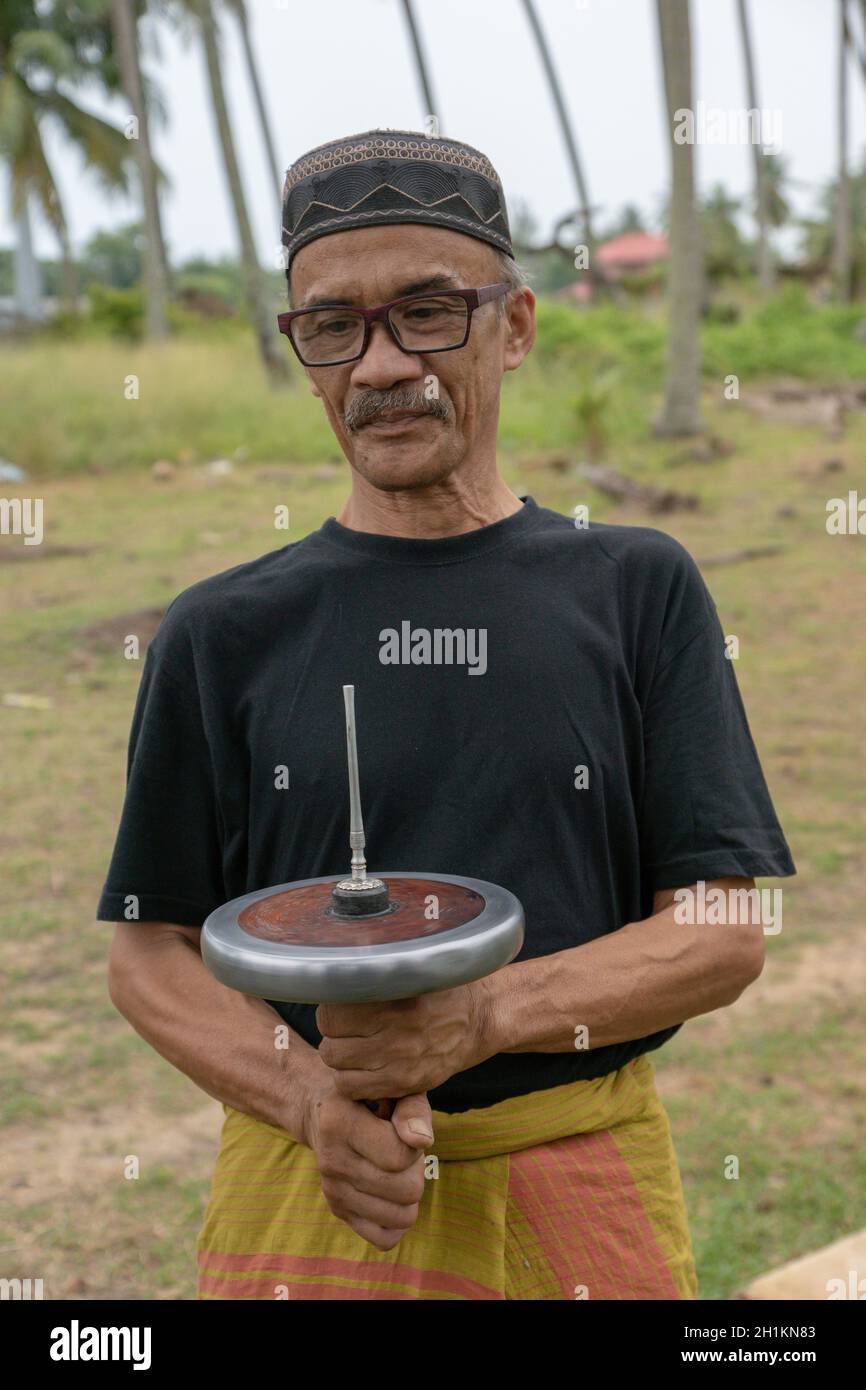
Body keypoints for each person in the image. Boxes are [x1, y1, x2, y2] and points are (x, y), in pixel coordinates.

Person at [100, 129, 795, 1300]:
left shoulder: (632, 587)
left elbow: (721, 924)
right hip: (314, 1193)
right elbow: (148, 953)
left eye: (427, 311)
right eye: (332, 326)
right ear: (303, 353)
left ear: (513, 325)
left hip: (571, 1187)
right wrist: (310, 1096)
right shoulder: (220, 632)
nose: (378, 366)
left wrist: (481, 1015)